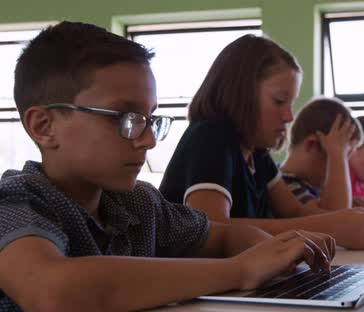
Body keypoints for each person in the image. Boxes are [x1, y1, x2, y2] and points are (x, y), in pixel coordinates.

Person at [0, 21, 335, 312]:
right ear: (44, 126)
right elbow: (53, 292)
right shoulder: (16, 201)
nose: (148, 140)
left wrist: (274, 252)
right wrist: (239, 270)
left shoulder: (140, 205)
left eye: (150, 119)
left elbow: (227, 235)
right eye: (127, 118)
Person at [160, 34, 364, 251]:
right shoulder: (211, 136)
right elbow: (212, 227)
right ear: (240, 94)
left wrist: (359, 220)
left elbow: (297, 211)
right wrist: (332, 227)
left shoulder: (257, 154)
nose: (289, 116)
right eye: (279, 101)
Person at [280, 97, 362, 211]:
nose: (343, 167)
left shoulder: (309, 186)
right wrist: (337, 155)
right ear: (311, 144)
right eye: (342, 157)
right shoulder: (284, 185)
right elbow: (337, 219)